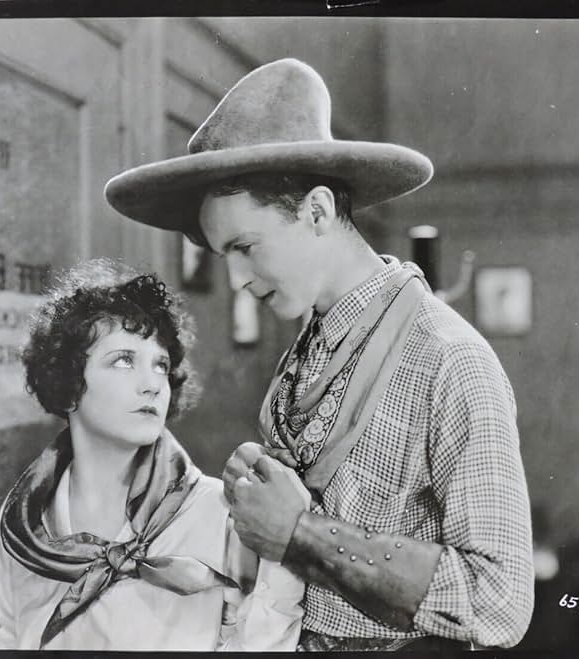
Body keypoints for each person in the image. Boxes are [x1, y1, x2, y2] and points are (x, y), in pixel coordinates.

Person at [105, 58, 534, 651]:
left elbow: (502, 599)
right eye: (222, 255)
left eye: (246, 247)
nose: (236, 279)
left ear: (318, 211)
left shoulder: (450, 359)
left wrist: (302, 532)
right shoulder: (309, 349)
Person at [0, 258, 304, 651]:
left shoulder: (219, 513)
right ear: (69, 385)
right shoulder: (25, 522)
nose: (153, 384)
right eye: (123, 360)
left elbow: (259, 644)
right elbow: (11, 636)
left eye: (161, 365)